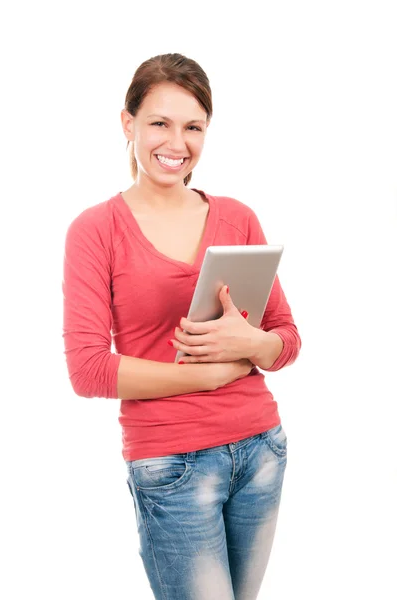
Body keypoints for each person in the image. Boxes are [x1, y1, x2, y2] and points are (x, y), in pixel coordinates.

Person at [62, 52, 302, 600]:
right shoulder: (96, 230)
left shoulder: (237, 216)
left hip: (262, 449)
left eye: (193, 126)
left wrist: (252, 343)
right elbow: (89, 370)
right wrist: (213, 375)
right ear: (128, 124)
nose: (177, 143)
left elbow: (286, 339)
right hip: (171, 464)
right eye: (159, 123)